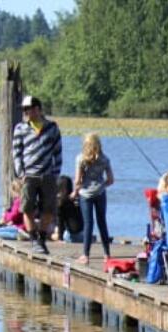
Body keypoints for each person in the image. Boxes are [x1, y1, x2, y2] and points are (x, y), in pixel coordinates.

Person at [12, 95, 63, 255]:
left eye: (28, 109)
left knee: (48, 209)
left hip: (47, 174)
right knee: (27, 208)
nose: (26, 113)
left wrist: (55, 174)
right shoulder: (20, 128)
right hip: (29, 175)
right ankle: (33, 238)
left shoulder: (52, 127)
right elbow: (17, 153)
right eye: (24, 110)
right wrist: (21, 174)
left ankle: (41, 238)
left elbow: (58, 152)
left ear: (38, 109)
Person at [72, 132, 115, 265]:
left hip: (85, 195)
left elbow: (78, 180)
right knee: (102, 222)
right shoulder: (105, 159)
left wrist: (75, 192)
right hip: (100, 193)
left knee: (88, 224)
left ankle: (86, 255)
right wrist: (101, 185)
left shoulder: (81, 159)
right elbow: (111, 179)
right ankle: (107, 254)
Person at [53, 176, 83, 243]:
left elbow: (60, 222)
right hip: (84, 234)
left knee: (52, 234)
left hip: (72, 236)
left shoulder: (61, 202)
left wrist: (60, 239)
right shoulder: (77, 198)